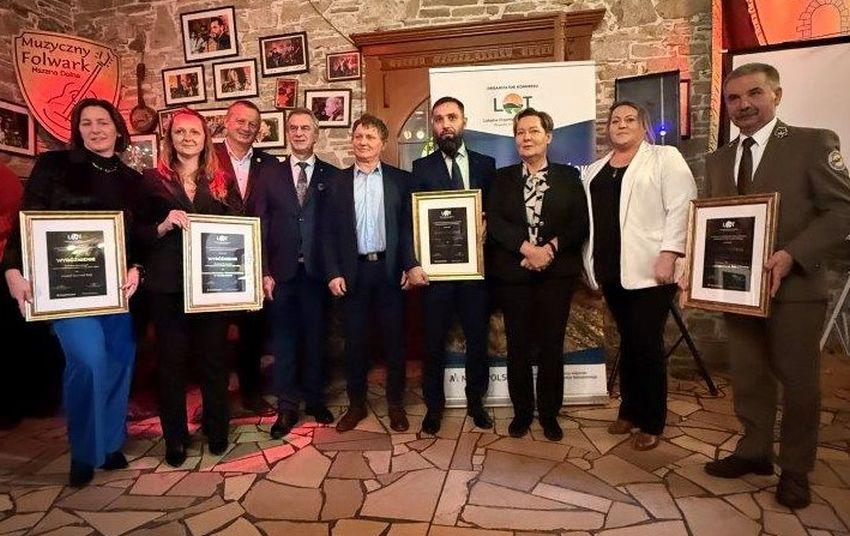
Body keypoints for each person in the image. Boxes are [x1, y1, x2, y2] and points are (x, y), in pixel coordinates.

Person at [700, 63, 850, 508]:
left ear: (776, 95)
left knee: (798, 382)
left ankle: (796, 470)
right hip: (738, 290)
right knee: (748, 376)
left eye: (754, 93)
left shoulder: (812, 143)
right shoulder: (718, 160)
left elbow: (843, 210)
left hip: (795, 288)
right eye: (733, 98)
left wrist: (791, 254)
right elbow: (717, 224)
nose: (743, 104)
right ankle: (754, 451)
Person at [2, 98, 142, 486]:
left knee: (118, 361)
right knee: (88, 360)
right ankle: (84, 451)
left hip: (116, 291)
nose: (95, 129)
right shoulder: (54, 165)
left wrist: (137, 268)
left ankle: (110, 444)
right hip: (64, 289)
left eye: (103, 122)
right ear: (77, 130)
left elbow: (140, 237)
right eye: (86, 123)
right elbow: (26, 218)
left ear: (117, 127)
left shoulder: (133, 180)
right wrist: (12, 269)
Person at [582, 101, 697, 451]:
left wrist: (670, 253)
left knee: (646, 343)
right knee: (629, 341)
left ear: (643, 126)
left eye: (629, 119)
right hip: (611, 269)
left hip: (652, 270)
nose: (621, 124)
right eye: (615, 120)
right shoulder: (596, 169)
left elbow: (683, 205)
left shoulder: (664, 158)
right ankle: (629, 410)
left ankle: (651, 420)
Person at [135, 108, 241, 466]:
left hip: (212, 286)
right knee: (171, 365)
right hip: (168, 287)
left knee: (214, 361)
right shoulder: (151, 180)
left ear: (205, 138)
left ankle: (217, 429)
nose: (187, 138)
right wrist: (163, 225)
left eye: (194, 132)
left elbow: (241, 227)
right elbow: (136, 234)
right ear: (170, 138)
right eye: (180, 132)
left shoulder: (221, 180)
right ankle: (175, 438)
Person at [487, 108, 588, 441]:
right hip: (515, 275)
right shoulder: (501, 178)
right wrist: (527, 249)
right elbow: (496, 223)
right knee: (517, 346)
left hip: (556, 275)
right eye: (520, 132)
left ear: (549, 136)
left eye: (533, 131)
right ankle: (521, 413)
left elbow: (580, 223)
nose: (526, 138)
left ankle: (548, 414)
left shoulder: (569, 177)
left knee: (550, 346)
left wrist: (550, 249)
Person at [321, 114, 425, 433]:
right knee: (355, 343)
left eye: (370, 137)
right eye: (358, 136)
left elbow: (408, 228)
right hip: (352, 273)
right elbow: (326, 233)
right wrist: (332, 272)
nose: (363, 142)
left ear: (382, 143)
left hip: (390, 271)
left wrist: (409, 264)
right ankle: (356, 405)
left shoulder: (401, 180)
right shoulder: (336, 182)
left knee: (395, 342)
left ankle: (395, 403)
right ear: (352, 140)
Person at [411, 97, 496, 435]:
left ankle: (476, 403)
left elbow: (497, 212)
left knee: (478, 341)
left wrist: (489, 225)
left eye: (452, 117)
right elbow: (412, 221)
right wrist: (413, 263)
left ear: (464, 121)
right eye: (438, 119)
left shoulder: (486, 165)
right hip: (437, 277)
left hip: (476, 275)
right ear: (433, 126)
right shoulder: (421, 168)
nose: (445, 124)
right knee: (432, 343)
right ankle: (434, 407)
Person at [254, 108, 339, 439]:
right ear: (288, 133)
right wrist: (264, 271)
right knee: (284, 342)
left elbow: (338, 228)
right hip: (282, 274)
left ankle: (315, 399)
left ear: (316, 134)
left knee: (317, 340)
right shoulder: (269, 175)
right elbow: (260, 224)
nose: (299, 133)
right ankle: (287, 407)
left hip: (318, 273)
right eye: (294, 128)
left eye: (306, 128)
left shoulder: (333, 175)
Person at [215, 100, 279, 416]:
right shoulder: (206, 156)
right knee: (212, 335)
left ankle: (252, 394)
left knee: (252, 331)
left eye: (252, 123)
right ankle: (214, 401)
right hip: (214, 260)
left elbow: (274, 216)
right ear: (226, 122)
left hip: (254, 260)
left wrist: (267, 267)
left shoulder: (270, 164)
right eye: (240, 121)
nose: (246, 127)